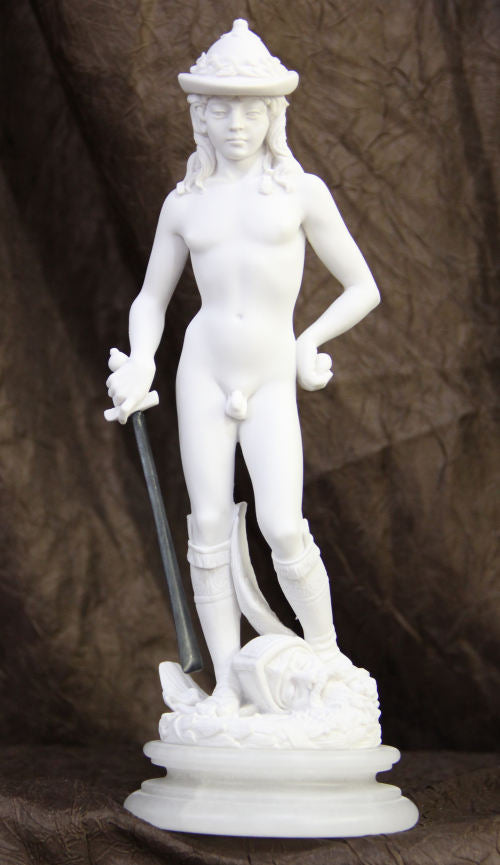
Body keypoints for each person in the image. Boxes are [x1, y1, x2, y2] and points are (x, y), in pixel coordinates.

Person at [106, 20, 380, 713]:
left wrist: (308, 341)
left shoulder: (300, 193)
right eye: (221, 111)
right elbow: (151, 299)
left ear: (274, 115)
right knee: (206, 526)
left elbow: (362, 286)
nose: (236, 125)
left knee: (283, 524)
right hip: (202, 371)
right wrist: (141, 362)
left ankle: (329, 658)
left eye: (251, 110)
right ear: (199, 116)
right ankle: (227, 682)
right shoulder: (184, 203)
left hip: (270, 375)